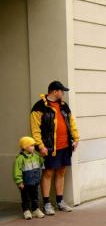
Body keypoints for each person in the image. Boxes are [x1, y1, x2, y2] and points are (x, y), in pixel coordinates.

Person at [30, 81, 79, 215]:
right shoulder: (39, 107)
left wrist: (76, 138)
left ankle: (60, 201)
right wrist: (40, 146)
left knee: (61, 172)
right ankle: (46, 204)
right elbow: (35, 129)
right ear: (54, 91)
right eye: (61, 91)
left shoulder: (64, 106)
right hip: (49, 148)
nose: (63, 94)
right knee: (48, 174)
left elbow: (71, 122)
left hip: (65, 146)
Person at [13, 137, 45, 220]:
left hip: (35, 181)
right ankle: (26, 210)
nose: (33, 147)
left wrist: (43, 156)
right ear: (24, 147)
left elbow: (41, 163)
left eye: (33, 145)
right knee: (25, 197)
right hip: (25, 183)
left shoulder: (35, 156)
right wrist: (19, 182)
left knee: (35, 196)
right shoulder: (20, 159)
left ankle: (35, 209)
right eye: (31, 146)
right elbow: (17, 171)